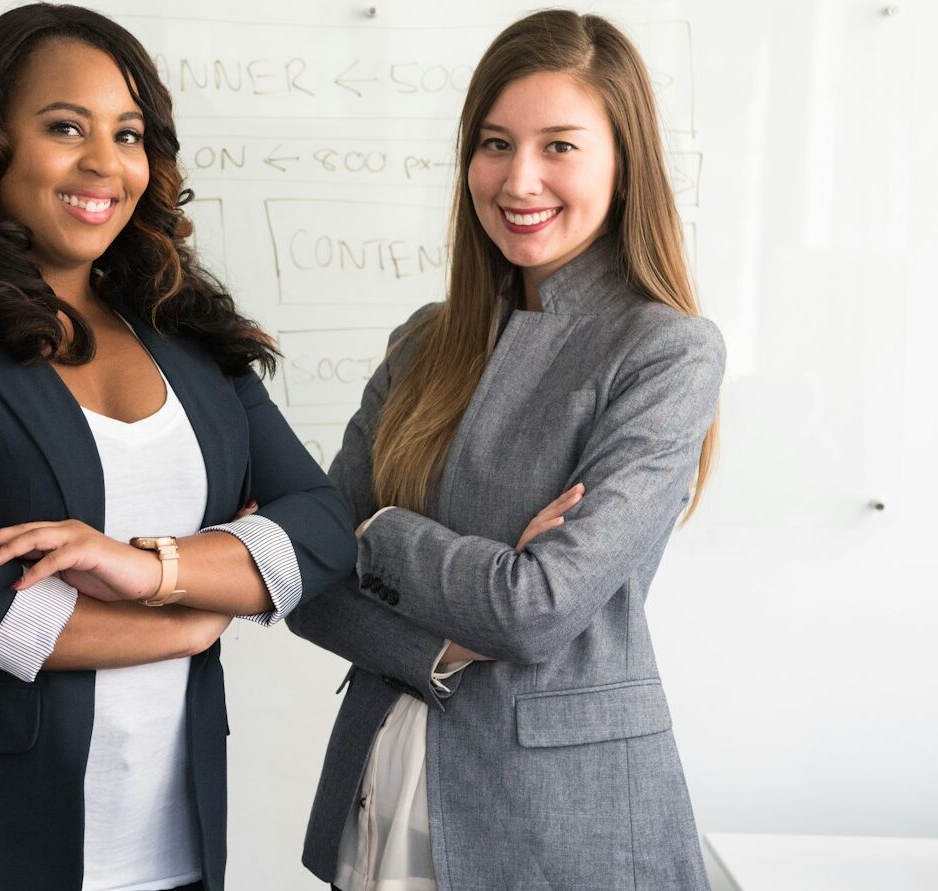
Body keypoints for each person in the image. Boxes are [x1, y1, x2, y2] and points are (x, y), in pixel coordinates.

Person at [0, 5, 355, 890]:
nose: (106, 163)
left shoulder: (192, 344)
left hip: (169, 852)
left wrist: (152, 570)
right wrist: (188, 624)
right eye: (66, 127)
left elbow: (323, 530)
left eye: (129, 133)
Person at [287, 9, 723, 890]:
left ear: (622, 159)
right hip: (386, 773)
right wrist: (442, 644)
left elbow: (536, 607)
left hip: (563, 813)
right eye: (495, 143)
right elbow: (304, 578)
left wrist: (375, 528)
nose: (519, 178)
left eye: (559, 145)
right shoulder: (422, 342)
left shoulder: (667, 350)